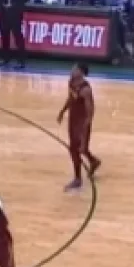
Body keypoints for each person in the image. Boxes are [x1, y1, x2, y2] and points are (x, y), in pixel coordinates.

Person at [55, 63, 101, 191]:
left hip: (82, 123)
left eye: (74, 69)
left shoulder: (86, 90)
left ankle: (77, 179)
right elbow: (70, 98)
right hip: (73, 120)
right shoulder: (71, 82)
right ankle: (94, 161)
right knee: (80, 148)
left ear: (81, 72)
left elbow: (90, 110)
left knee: (76, 149)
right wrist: (62, 111)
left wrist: (85, 127)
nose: (72, 70)